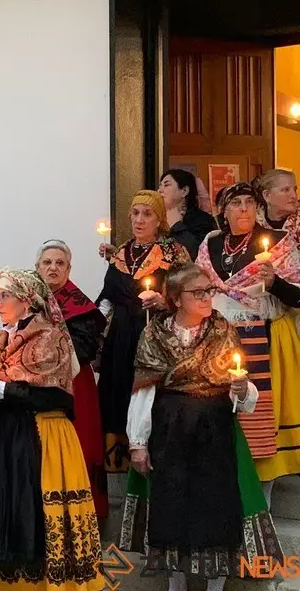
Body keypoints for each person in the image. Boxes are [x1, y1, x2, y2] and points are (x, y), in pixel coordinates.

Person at [120, 263, 284, 591]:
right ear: (175, 299)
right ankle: (176, 585)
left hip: (216, 431)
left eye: (209, 290)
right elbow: (144, 391)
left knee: (216, 509)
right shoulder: (154, 334)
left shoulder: (223, 330)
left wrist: (242, 390)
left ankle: (214, 585)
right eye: (198, 292)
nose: (207, 297)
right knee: (172, 508)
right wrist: (137, 442)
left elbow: (241, 391)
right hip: (169, 431)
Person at [0, 268, 104, 591]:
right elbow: (3, 390)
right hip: (5, 436)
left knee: (35, 513)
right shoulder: (4, 339)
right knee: (8, 510)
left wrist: (0, 389)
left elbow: (54, 396)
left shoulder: (50, 338)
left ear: (27, 299)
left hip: (43, 436)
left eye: (4, 295)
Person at [196, 182, 300, 506]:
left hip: (266, 342)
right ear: (223, 211)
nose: (244, 208)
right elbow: (197, 286)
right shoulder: (211, 244)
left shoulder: (279, 243)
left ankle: (260, 505)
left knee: (261, 422)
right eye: (236, 203)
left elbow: (298, 294)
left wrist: (274, 282)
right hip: (217, 342)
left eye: (249, 203)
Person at [96, 190, 190, 473]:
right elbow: (108, 295)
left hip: (155, 331)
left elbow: (188, 291)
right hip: (121, 334)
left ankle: (155, 457)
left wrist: (164, 302)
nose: (139, 220)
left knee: (149, 392)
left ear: (159, 219)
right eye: (135, 213)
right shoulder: (121, 252)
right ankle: (118, 461)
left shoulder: (174, 252)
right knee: (118, 390)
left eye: (147, 214)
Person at [36, 240, 108, 519]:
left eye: (60, 263)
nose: (53, 268)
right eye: (47, 262)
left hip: (75, 385)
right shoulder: (29, 301)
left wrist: (43, 356)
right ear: (37, 267)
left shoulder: (80, 307)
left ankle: (80, 514)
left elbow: (84, 349)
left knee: (79, 444)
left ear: (68, 269)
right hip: (36, 386)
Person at [158, 169, 218, 260]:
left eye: (166, 185)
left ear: (184, 191)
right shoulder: (157, 217)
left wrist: (177, 226)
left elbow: (201, 254)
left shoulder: (203, 219)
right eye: (160, 186)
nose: (160, 190)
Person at [256, 169, 299, 242]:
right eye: (286, 190)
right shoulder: (253, 223)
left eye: (295, 190)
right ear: (267, 195)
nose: (294, 196)